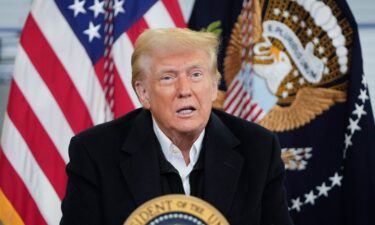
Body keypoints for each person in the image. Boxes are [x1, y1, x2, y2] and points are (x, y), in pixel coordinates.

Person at [60, 28, 293, 225]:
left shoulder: (258, 148)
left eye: (196, 74)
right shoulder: (95, 152)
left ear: (213, 86)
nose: (184, 89)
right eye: (168, 78)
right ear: (143, 93)